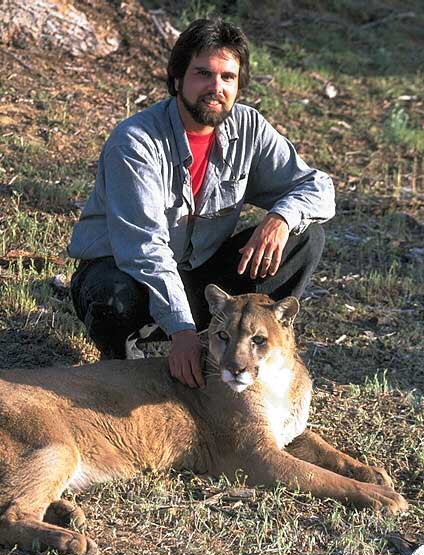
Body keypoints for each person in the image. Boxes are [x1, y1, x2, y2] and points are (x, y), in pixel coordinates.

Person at [68, 18, 335, 389]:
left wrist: (280, 218)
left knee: (305, 239)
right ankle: (128, 371)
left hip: (199, 279)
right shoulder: (135, 143)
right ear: (177, 79)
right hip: (129, 277)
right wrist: (181, 331)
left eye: (228, 77)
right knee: (114, 295)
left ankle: (249, 352)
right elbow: (144, 250)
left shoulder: (249, 128)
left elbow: (318, 186)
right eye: (203, 74)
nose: (216, 87)